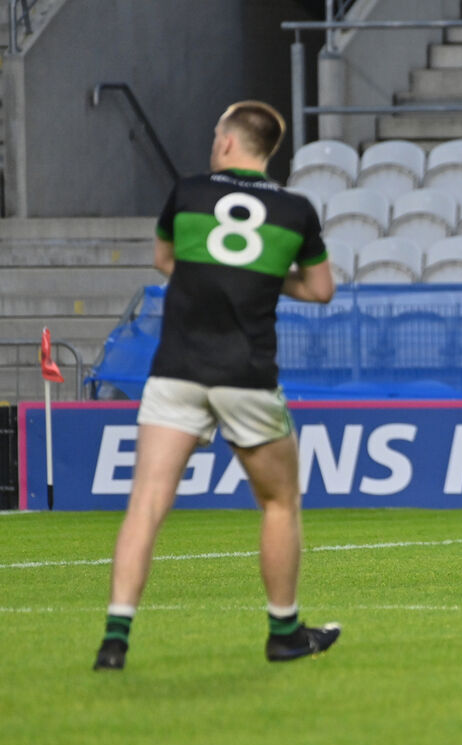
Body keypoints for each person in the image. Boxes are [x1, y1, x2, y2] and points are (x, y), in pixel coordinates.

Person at [93, 101, 339, 670]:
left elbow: (164, 259)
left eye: (214, 134)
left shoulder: (187, 191)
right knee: (279, 501)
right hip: (246, 374)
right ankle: (283, 634)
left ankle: (115, 639)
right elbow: (322, 289)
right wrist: (260, 281)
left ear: (228, 142)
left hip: (176, 366)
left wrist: (215, 279)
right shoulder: (296, 209)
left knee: (147, 503)